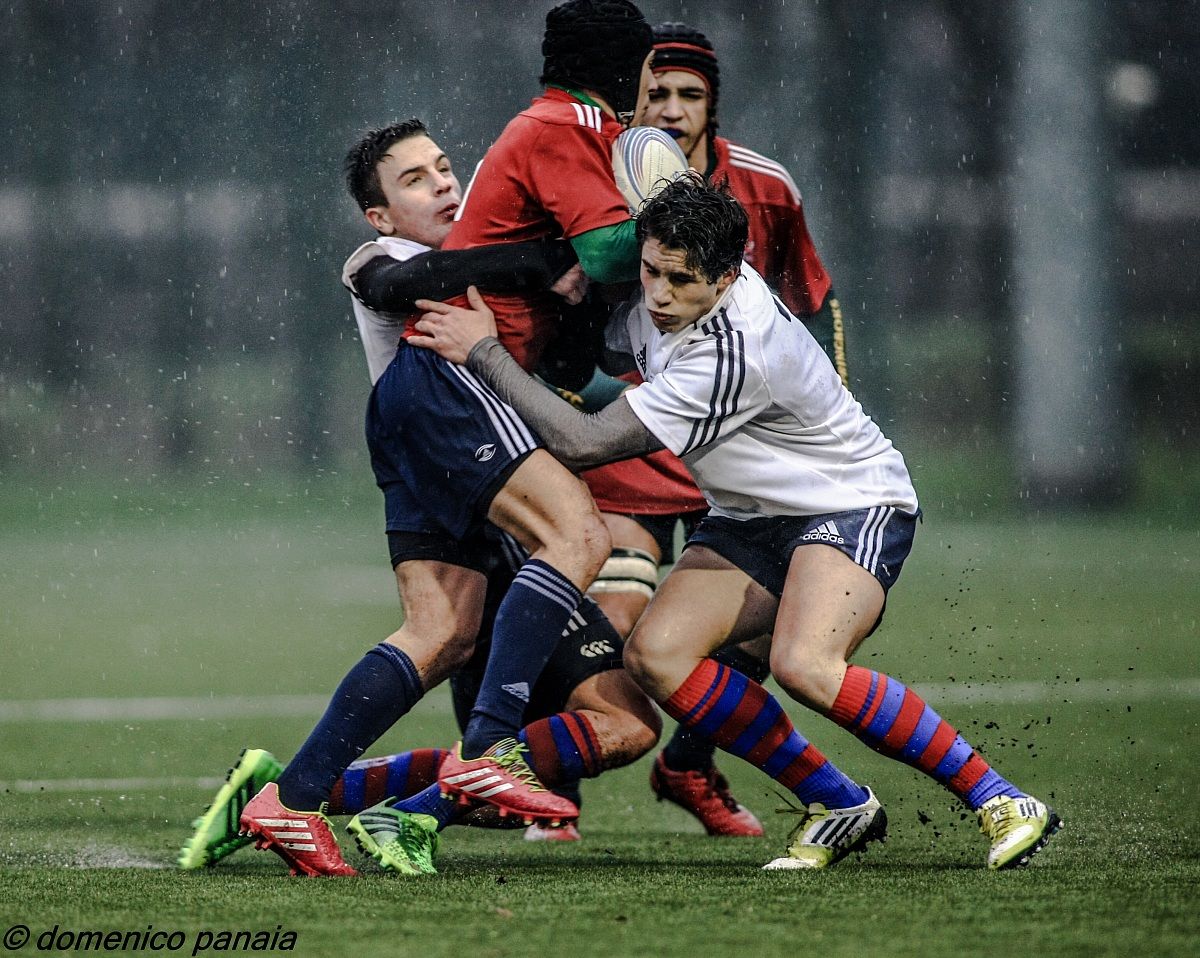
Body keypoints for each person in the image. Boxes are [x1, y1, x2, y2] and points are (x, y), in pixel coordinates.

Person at [411, 174, 1062, 871]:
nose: (658, 294)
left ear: (727, 277)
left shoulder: (731, 351)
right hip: (751, 518)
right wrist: (573, 284)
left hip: (850, 501)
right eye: (650, 271)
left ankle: (1001, 799)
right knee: (655, 656)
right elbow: (605, 349)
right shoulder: (668, 289)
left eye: (680, 281)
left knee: (804, 664)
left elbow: (584, 442)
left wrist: (484, 350)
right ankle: (836, 802)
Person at [229, 111, 659, 877]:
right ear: (380, 213)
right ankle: (487, 751)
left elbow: (567, 349)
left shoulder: (468, 259)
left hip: (428, 445)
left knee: (441, 633)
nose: (444, 182)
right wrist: (548, 255)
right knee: (582, 536)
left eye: (445, 165)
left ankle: (289, 801)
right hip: (438, 413)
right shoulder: (382, 256)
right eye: (415, 178)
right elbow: (410, 282)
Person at [571, 20, 851, 837]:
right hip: (636, 441)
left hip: (744, 453)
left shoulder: (764, 184)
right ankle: (553, 787)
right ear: (632, 99)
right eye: (654, 92)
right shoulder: (599, 183)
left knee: (760, 639)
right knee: (622, 622)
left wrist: (829, 399)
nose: (669, 108)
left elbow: (814, 295)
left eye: (688, 94)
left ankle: (688, 762)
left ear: (713, 106)